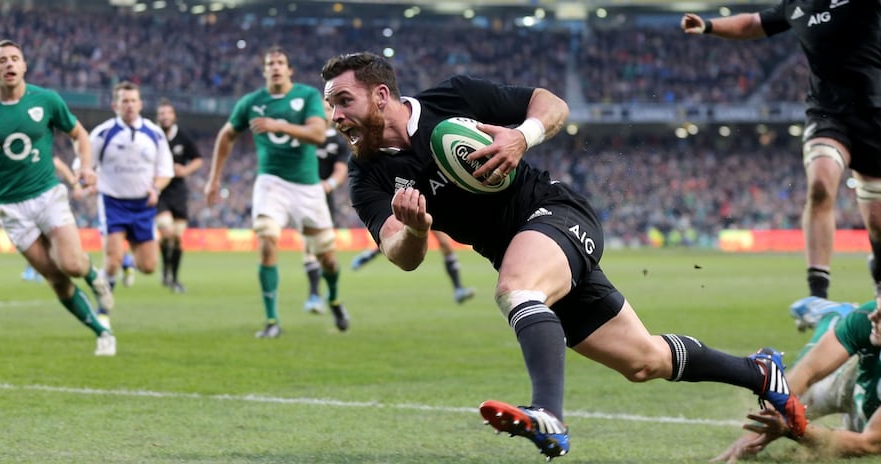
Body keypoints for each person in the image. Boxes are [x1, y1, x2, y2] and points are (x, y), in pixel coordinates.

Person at [320, 51, 806, 460]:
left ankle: (548, 415)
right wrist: (416, 230)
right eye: (330, 107)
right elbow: (399, 253)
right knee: (643, 362)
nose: (336, 117)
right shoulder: (366, 175)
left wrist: (521, 136)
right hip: (520, 251)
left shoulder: (454, 98)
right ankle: (759, 371)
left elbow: (551, 104)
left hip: (555, 212)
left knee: (517, 290)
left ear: (381, 95)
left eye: (344, 101)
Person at [681, 0, 881, 300]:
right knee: (819, 185)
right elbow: (752, 24)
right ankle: (818, 295)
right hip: (826, 112)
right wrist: (709, 26)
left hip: (874, 113)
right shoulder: (795, 3)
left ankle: (880, 264)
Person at [0, 39, 116, 356]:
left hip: (48, 195)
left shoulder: (46, 100)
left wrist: (86, 166)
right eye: (2, 60)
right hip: (11, 207)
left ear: (24, 66)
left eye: (14, 58)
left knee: (72, 265)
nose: (9, 63)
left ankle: (93, 277)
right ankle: (102, 332)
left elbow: (79, 134)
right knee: (55, 278)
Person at [715, 273, 881, 462]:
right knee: (799, 396)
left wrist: (791, 427)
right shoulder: (871, 316)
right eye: (876, 310)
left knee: (848, 434)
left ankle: (833, 316)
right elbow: (807, 371)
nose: (871, 316)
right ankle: (835, 315)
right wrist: (754, 435)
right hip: (855, 376)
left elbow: (870, 444)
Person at [205, 45, 350, 337]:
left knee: (328, 258)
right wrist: (214, 178)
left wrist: (278, 126)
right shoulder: (251, 102)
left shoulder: (307, 96)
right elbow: (227, 135)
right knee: (267, 238)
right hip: (271, 182)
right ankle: (272, 322)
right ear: (264, 71)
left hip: (307, 186)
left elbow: (317, 134)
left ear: (289, 69)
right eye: (270, 63)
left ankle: (334, 299)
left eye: (280, 62)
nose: (275, 67)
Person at [88, 81, 174, 323]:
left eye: (133, 100)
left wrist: (156, 188)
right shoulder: (102, 134)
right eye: (124, 101)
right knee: (111, 261)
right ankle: (103, 311)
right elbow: (85, 165)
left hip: (143, 206)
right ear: (115, 105)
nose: (129, 105)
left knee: (148, 266)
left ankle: (129, 261)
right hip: (113, 203)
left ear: (141, 104)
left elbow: (166, 171)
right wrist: (87, 180)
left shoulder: (154, 134)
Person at [302, 98, 349, 315]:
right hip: (303, 198)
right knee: (309, 247)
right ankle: (313, 295)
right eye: (319, 108)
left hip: (324, 201)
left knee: (327, 256)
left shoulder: (337, 142)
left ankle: (333, 296)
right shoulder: (303, 137)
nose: (324, 112)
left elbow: (340, 170)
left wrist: (328, 184)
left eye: (328, 109)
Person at [155, 98, 203, 293]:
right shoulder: (153, 136)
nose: (165, 117)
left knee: (176, 238)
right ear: (158, 117)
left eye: (168, 113)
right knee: (166, 231)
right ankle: (165, 269)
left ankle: (173, 277)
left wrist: (185, 170)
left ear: (174, 116)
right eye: (162, 114)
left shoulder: (183, 136)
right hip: (159, 190)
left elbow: (198, 159)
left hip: (178, 192)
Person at [351, 230, 476, 304]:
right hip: (416, 203)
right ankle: (370, 255)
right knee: (399, 238)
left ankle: (458, 289)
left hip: (432, 204)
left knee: (445, 243)